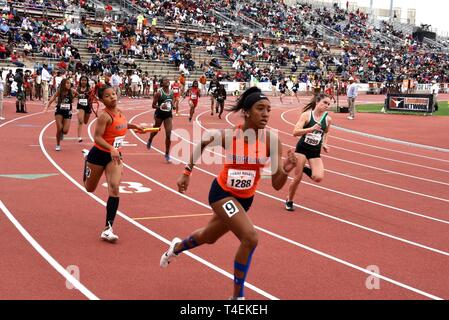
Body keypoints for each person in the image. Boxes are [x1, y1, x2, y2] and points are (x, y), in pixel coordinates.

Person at [160, 87, 298, 300]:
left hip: (245, 199)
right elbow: (203, 141)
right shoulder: (230, 135)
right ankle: (237, 298)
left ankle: (176, 247)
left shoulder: (272, 142)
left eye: (268, 110)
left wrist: (286, 170)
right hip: (221, 194)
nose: (265, 114)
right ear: (247, 112)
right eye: (260, 108)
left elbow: (278, 186)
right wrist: (186, 172)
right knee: (250, 238)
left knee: (209, 237)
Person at [83, 85, 144, 242]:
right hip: (98, 155)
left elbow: (121, 125)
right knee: (89, 188)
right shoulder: (104, 116)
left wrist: (134, 126)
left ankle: (108, 228)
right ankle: (87, 161)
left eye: (114, 94)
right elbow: (97, 137)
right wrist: (111, 148)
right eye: (108, 96)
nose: (113, 97)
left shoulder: (120, 112)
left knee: (114, 188)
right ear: (102, 100)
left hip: (114, 157)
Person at [285, 94, 333, 211]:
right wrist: (311, 129)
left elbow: (326, 132)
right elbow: (295, 132)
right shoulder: (306, 115)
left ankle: (304, 168)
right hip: (302, 149)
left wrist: (324, 144)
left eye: (328, 104)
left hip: (315, 151)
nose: (327, 105)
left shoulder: (328, 119)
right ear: (317, 102)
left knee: (318, 177)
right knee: (298, 177)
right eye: (324, 102)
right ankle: (289, 200)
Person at [44, 79, 78, 151]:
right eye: (67, 83)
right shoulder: (59, 91)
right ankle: (58, 144)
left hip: (68, 111)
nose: (69, 85)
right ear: (63, 84)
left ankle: (62, 133)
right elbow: (52, 98)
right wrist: (46, 107)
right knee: (59, 128)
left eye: (69, 83)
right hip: (59, 110)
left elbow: (77, 94)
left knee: (65, 131)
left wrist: (73, 97)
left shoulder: (71, 91)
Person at [146, 77, 174, 163]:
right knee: (156, 130)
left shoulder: (172, 92)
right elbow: (153, 105)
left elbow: (170, 102)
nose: (167, 81)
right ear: (162, 83)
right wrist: (161, 106)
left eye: (168, 80)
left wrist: (173, 106)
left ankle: (167, 154)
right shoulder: (159, 93)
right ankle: (150, 139)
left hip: (168, 115)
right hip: (159, 114)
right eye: (165, 80)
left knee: (168, 134)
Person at [76, 76, 92, 143]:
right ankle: (79, 137)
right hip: (80, 106)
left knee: (85, 122)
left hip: (88, 106)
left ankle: (85, 116)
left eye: (85, 80)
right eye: (82, 80)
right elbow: (74, 96)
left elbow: (92, 97)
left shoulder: (89, 89)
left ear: (87, 81)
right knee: (80, 121)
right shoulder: (78, 88)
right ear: (80, 81)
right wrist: (77, 95)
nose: (83, 81)